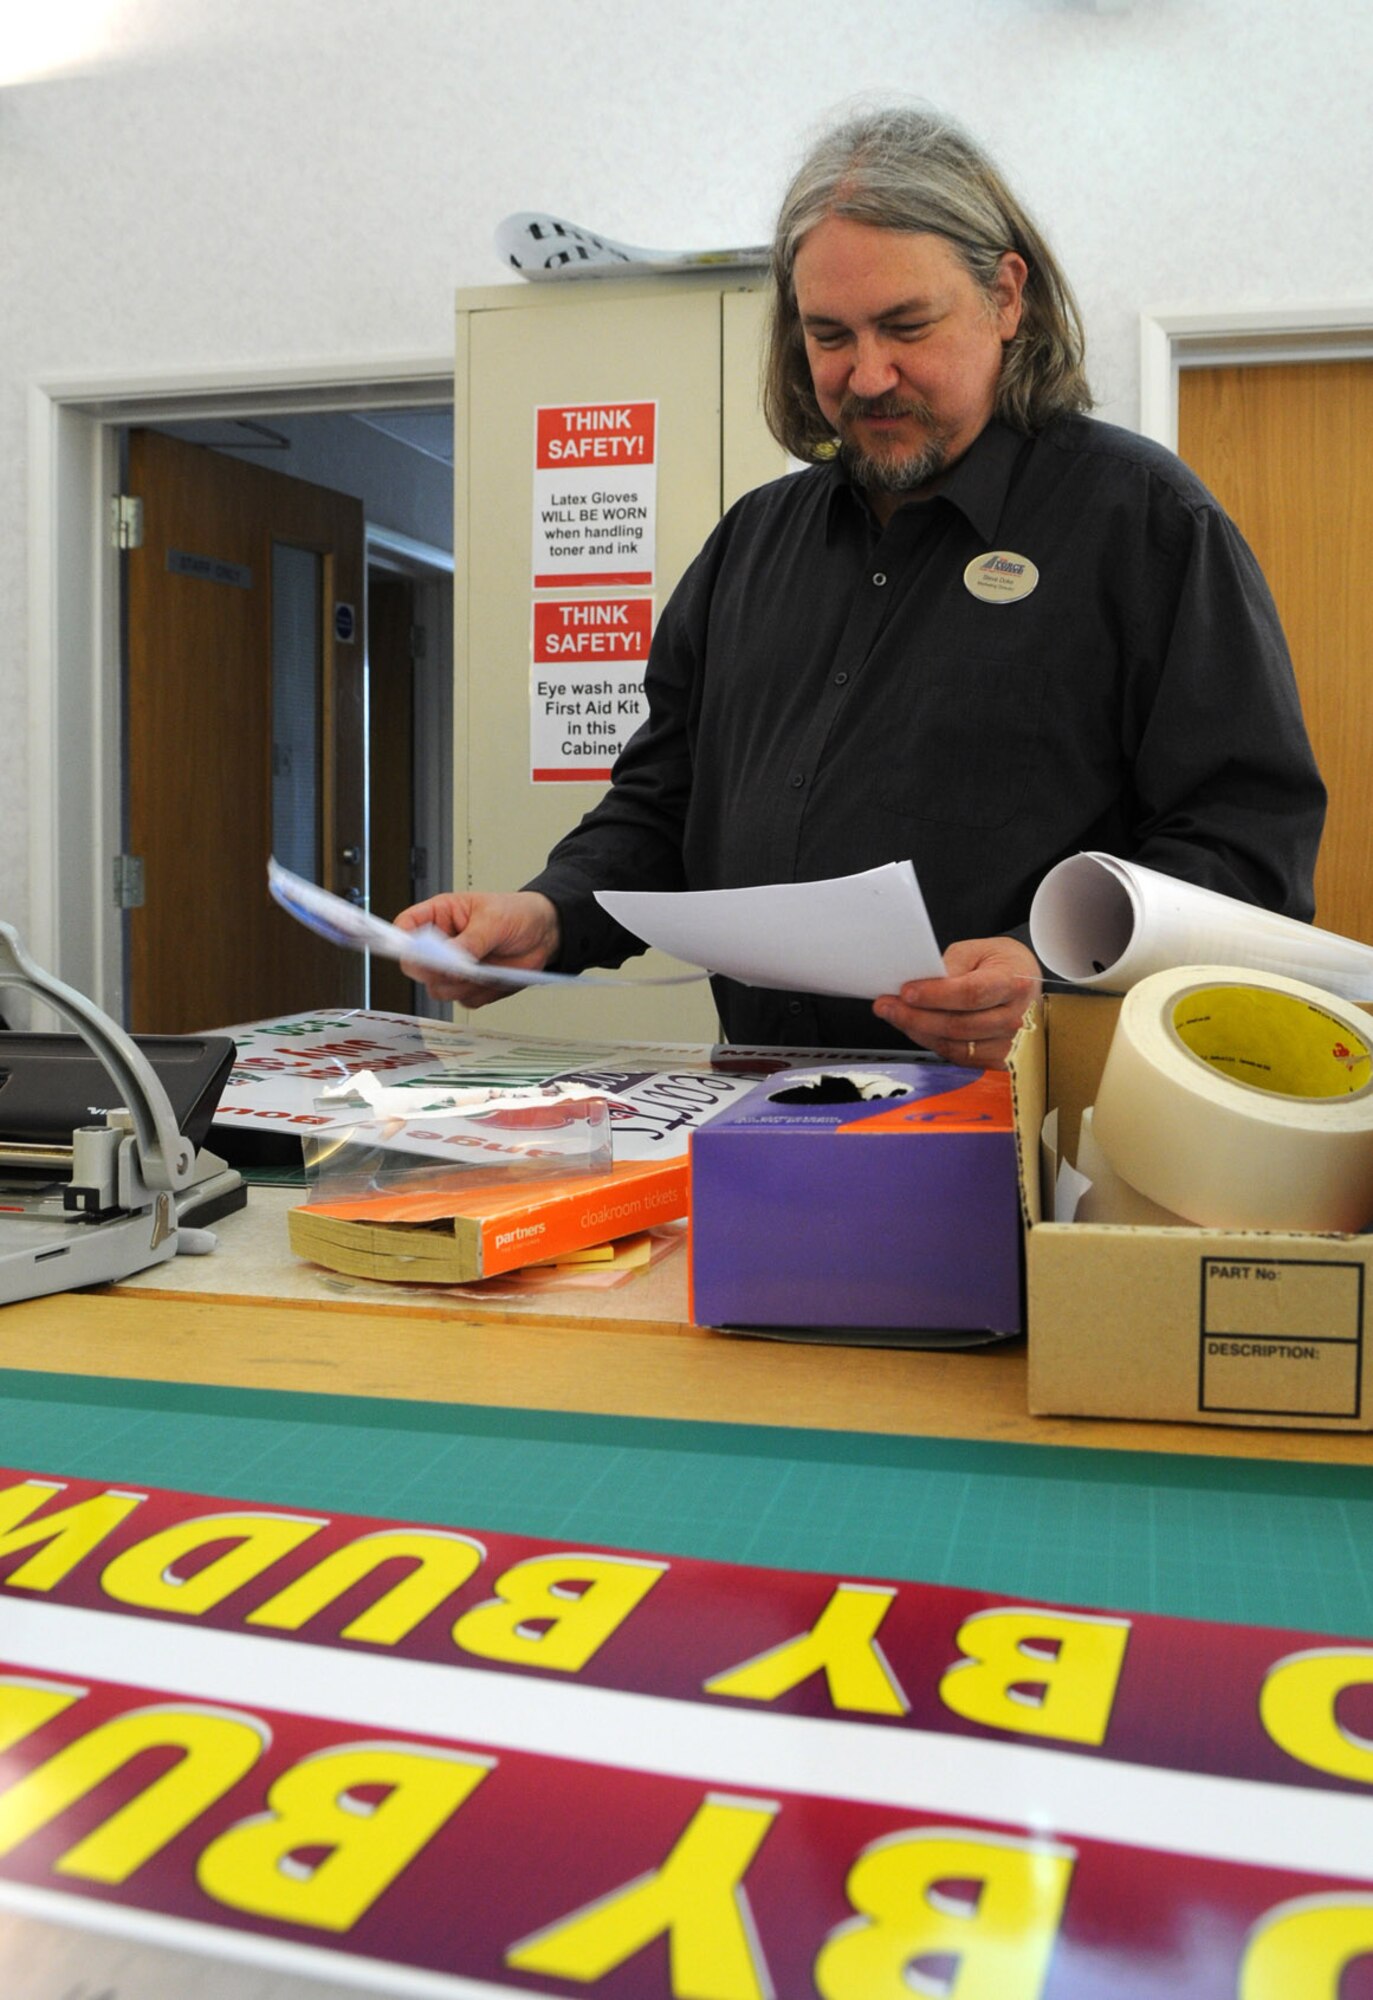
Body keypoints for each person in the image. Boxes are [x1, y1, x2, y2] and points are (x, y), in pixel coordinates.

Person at [398, 105, 1325, 1067]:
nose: (868, 374)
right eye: (829, 335)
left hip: (1024, 1123)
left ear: (1006, 298)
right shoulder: (751, 545)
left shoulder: (1145, 526)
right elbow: (661, 806)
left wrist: (1052, 971)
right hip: (767, 1107)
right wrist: (551, 912)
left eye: (906, 326)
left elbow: (1246, 848)